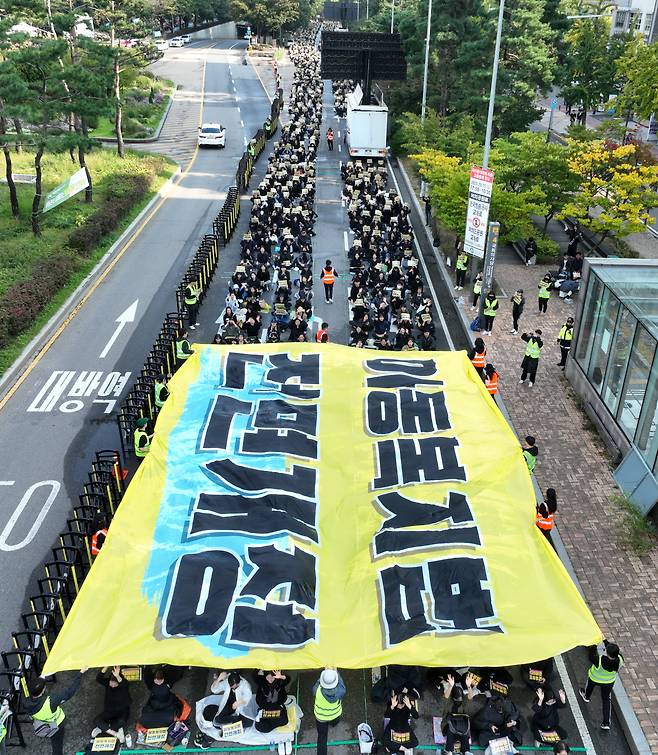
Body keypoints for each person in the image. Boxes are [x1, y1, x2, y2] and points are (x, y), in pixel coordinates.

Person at [24, 668, 87, 755]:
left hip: (44, 724)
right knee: (57, 747)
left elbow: (36, 687)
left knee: (55, 741)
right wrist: (80, 673)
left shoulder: (26, 702)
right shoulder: (51, 701)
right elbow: (69, 692)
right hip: (57, 726)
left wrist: (42, 677)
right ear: (43, 690)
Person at [580, 640, 624, 731]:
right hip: (608, 682)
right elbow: (613, 652)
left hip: (594, 679)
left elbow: (591, 656)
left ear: (607, 652)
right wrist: (606, 642)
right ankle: (606, 723)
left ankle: (586, 697)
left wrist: (594, 644)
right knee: (606, 699)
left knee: (589, 687)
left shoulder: (599, 660)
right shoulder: (620, 659)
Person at [138, 667, 185, 735]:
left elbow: (146, 673)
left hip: (157, 705)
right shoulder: (168, 683)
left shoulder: (150, 684)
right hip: (167, 706)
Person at [91, 666, 131, 743]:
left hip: (122, 712)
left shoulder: (123, 686)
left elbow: (124, 684)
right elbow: (99, 678)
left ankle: (103, 728)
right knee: (97, 720)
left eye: (114, 684)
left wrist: (117, 676)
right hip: (109, 711)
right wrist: (106, 666)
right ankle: (115, 733)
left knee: (121, 722)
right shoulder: (107, 683)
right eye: (111, 684)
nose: (112, 686)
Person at [313, 668, 345, 755]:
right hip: (335, 713)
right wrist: (335, 672)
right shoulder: (340, 691)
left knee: (322, 737)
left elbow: (318, 683)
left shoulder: (317, 690)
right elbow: (341, 682)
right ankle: (333, 723)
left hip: (321, 717)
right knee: (335, 720)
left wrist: (324, 675)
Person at [383, 688, 419, 754]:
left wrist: (410, 706)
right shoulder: (392, 703)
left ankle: (394, 748)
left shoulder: (408, 704)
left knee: (415, 742)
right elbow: (386, 715)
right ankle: (403, 749)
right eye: (399, 705)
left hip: (404, 727)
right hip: (393, 726)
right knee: (384, 740)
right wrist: (392, 706)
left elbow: (416, 716)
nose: (400, 707)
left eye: (402, 705)